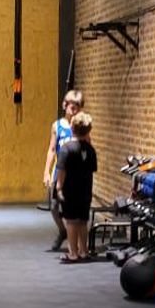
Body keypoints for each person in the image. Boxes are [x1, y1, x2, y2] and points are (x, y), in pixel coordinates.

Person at [43, 90, 84, 251]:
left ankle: (78, 244)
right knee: (54, 206)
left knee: (74, 209)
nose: (73, 110)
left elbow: (87, 147)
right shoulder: (57, 126)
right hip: (59, 171)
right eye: (71, 106)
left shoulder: (81, 126)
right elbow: (52, 149)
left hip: (75, 173)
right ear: (65, 106)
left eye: (77, 107)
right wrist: (46, 172)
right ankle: (63, 231)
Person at [55, 112, 97, 263]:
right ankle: (84, 251)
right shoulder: (91, 150)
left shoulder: (66, 149)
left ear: (72, 128)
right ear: (88, 130)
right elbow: (92, 170)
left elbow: (62, 171)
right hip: (85, 190)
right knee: (83, 221)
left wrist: (59, 187)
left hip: (70, 191)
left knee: (71, 222)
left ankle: (73, 253)